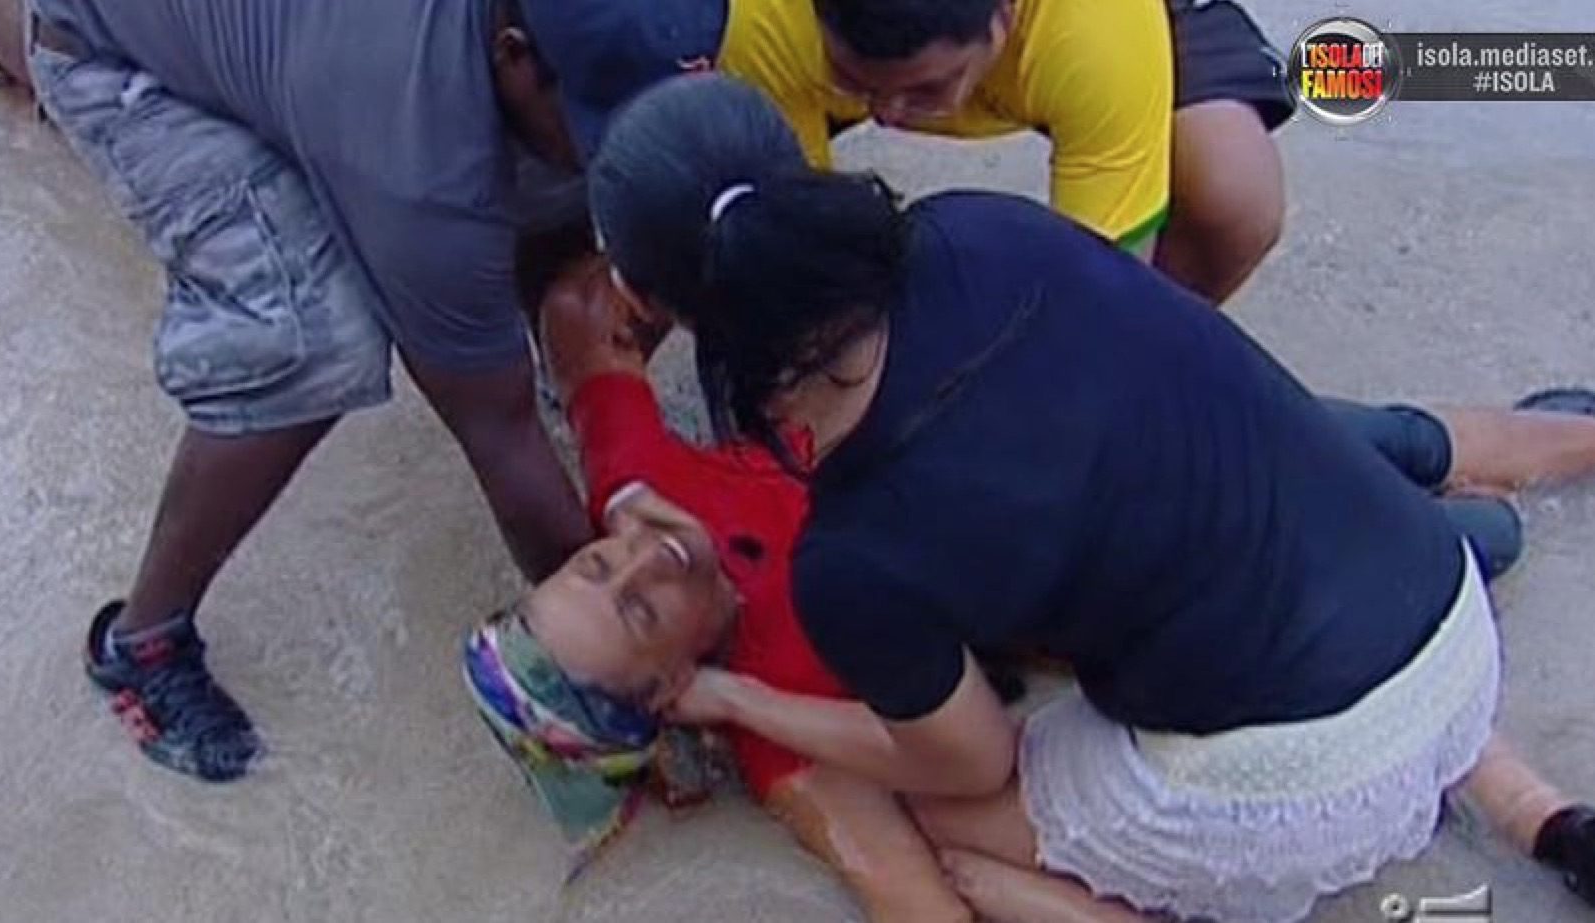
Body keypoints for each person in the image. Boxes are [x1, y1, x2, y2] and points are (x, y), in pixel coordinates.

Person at [581, 73, 1595, 922]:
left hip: (1312, 770)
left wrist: (730, 696)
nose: (635, 564)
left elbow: (970, 768)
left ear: (652, 302)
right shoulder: (985, 228)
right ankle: (1541, 814)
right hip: (1437, 603)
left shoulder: (853, 556)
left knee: (944, 812)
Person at [23, 0, 716, 782]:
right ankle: (142, 642)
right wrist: (645, 636)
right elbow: (496, 430)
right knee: (313, 338)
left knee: (567, 179)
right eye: (596, 117)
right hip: (116, 54)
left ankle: (555, 340)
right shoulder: (421, 164)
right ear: (514, 54)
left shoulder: (527, 59)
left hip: (314, 48)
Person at [463, 256, 977, 920]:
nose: (646, 557)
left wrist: (666, 275)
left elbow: (575, 309)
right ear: (671, 690)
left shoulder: (635, 486)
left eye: (596, 565)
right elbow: (926, 909)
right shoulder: (786, 744)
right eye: (640, 611)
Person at [519, 0, 1287, 304]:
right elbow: (789, 258)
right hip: (803, 45)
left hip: (1100, 36)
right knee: (716, 234)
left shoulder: (1100, 37)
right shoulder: (766, 20)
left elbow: (1096, 292)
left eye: (925, 88)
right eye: (861, 85)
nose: (889, 117)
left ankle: (1166, 382)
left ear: (1006, 17)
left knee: (1234, 196)